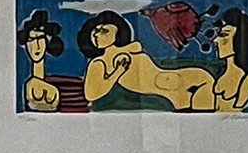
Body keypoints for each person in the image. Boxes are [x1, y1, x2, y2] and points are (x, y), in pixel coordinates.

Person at [79, 9, 214, 112]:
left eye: (103, 30)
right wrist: (118, 72)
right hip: (170, 94)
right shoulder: (98, 63)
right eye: (94, 31)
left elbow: (136, 46)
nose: (96, 35)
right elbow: (91, 94)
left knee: (207, 82)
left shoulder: (130, 48)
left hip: (181, 81)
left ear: (118, 32)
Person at [18, 8, 65, 112]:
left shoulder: (55, 82)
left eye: (40, 39)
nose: (36, 45)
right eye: (31, 40)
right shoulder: (28, 85)